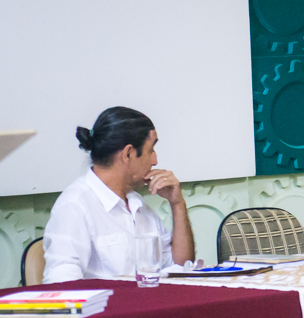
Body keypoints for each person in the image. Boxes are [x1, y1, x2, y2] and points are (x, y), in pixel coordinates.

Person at [43, 107, 195, 283]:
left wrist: (177, 204)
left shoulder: (138, 204)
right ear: (128, 154)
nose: (155, 160)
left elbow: (180, 268)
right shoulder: (74, 206)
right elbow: (62, 284)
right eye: (151, 150)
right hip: (107, 301)